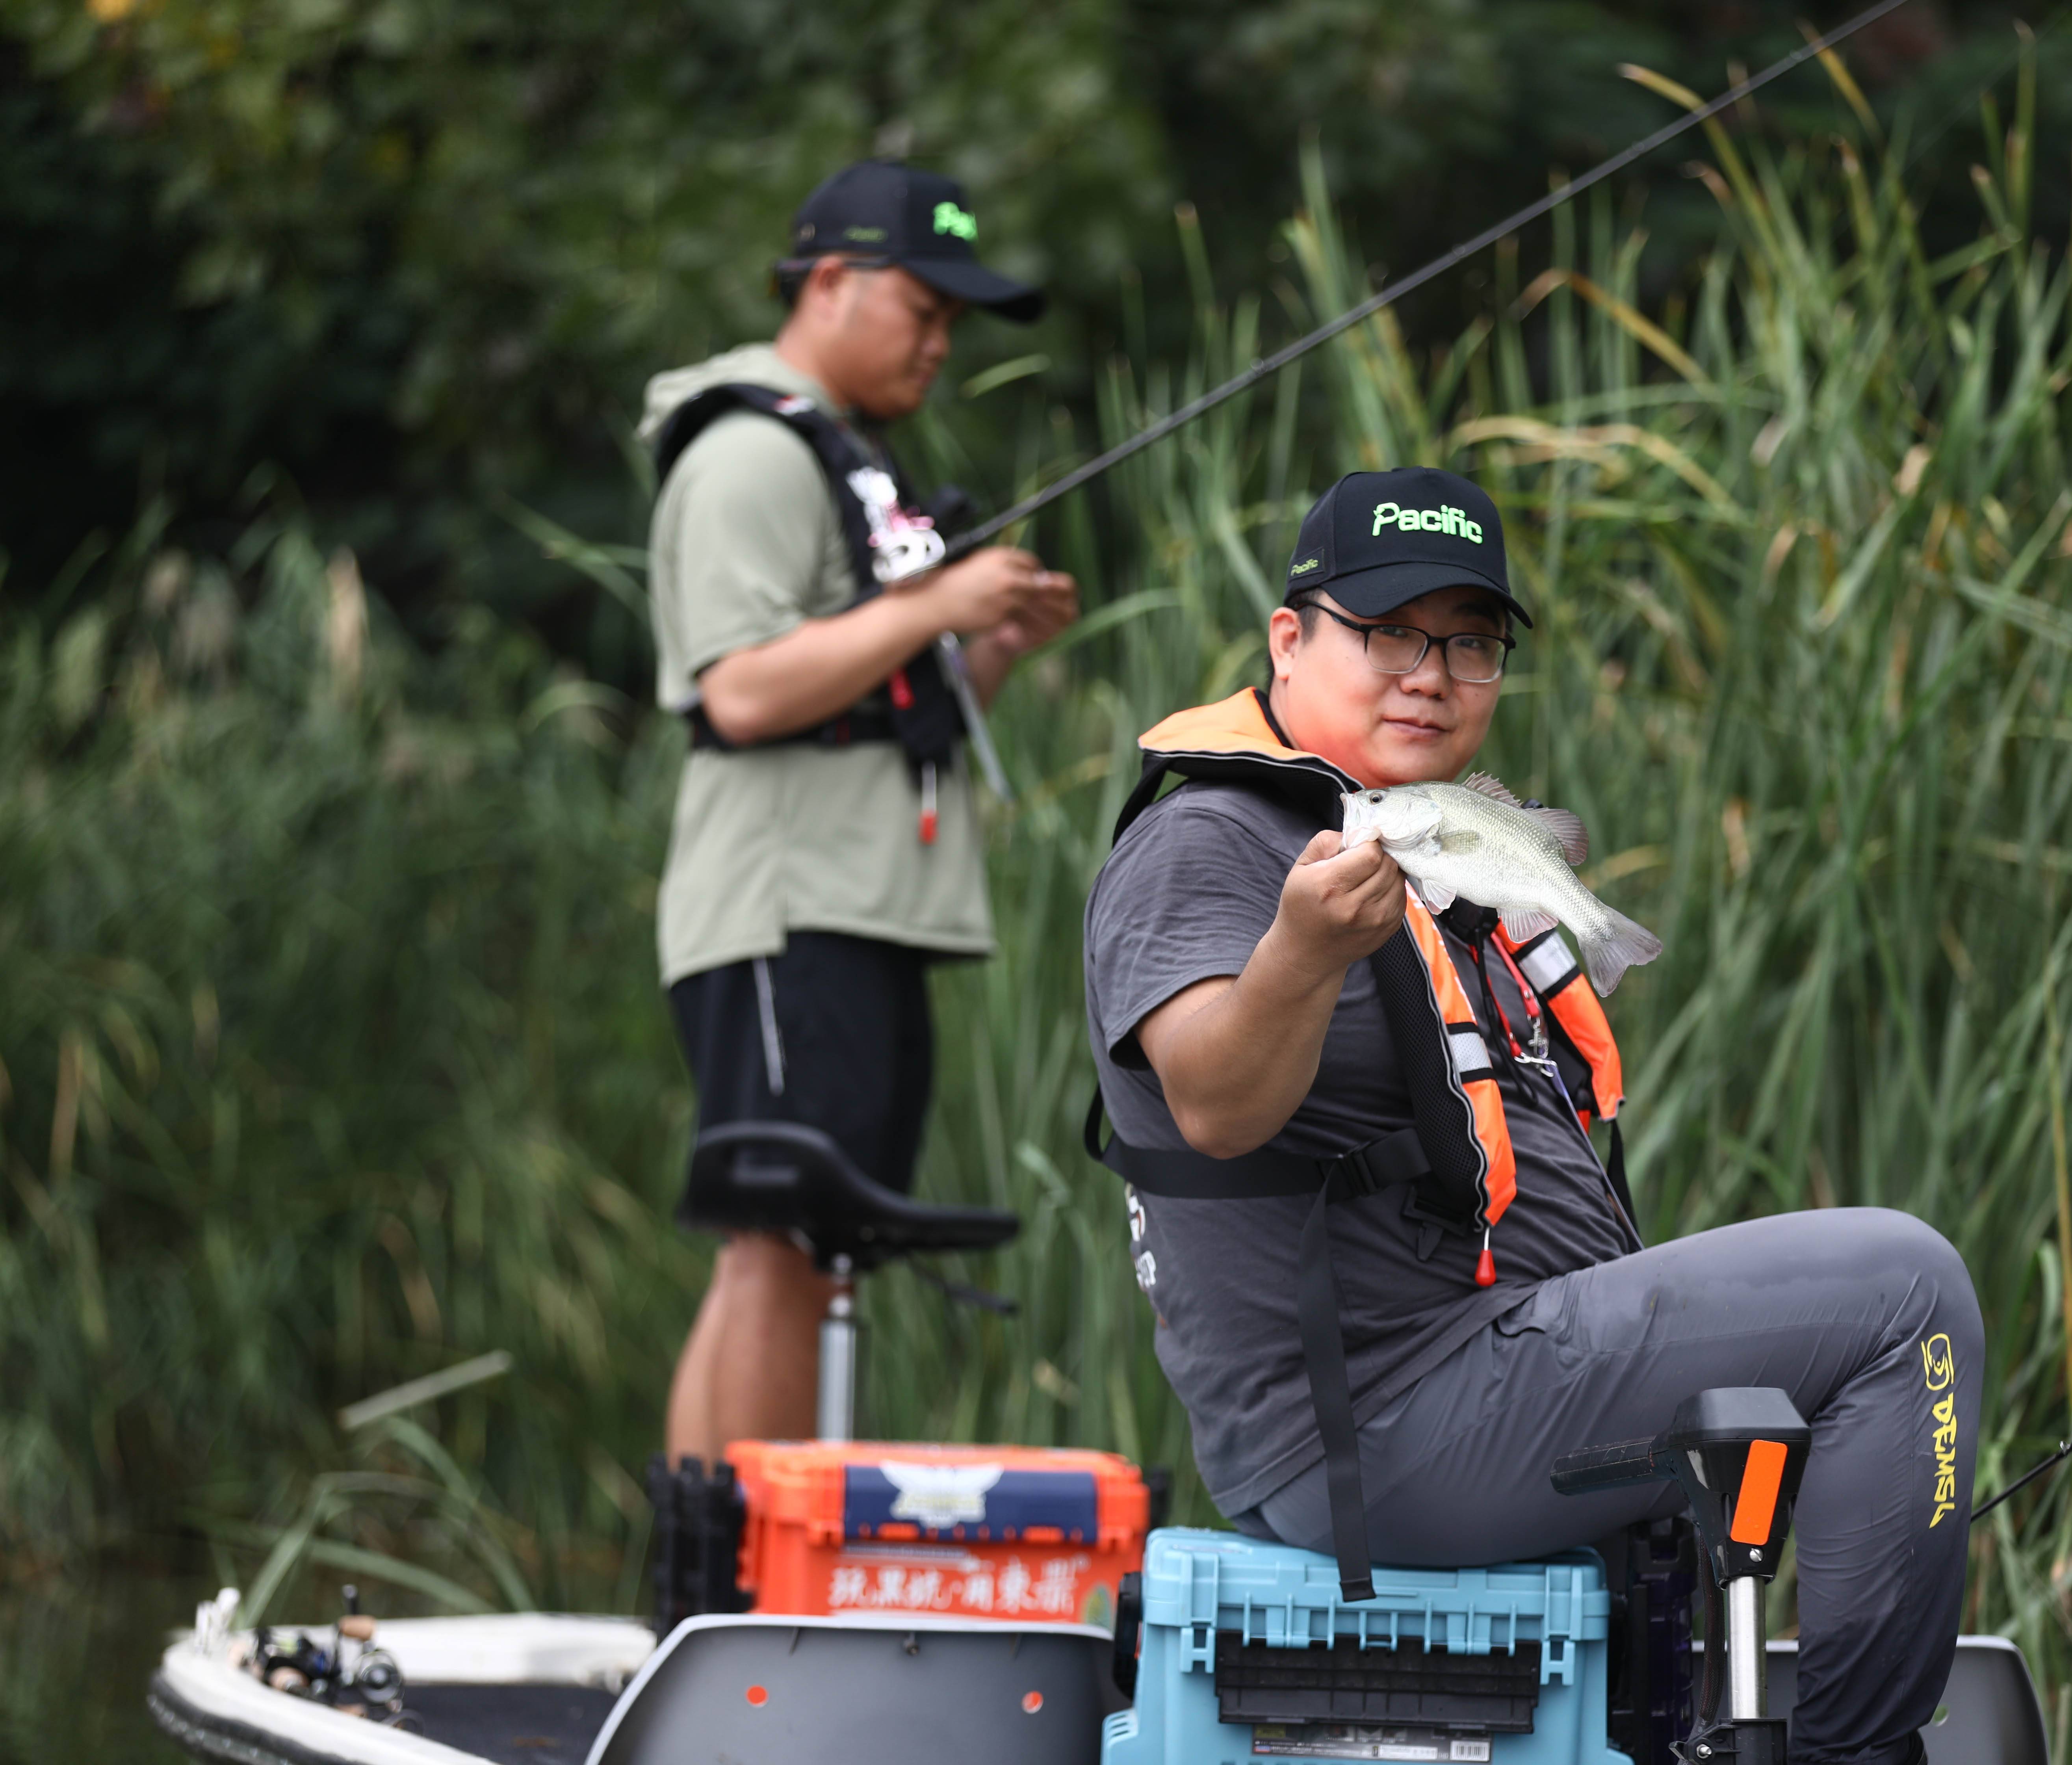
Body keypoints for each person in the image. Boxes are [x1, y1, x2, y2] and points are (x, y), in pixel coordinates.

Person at [1083, 465, 1977, 1765]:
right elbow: (1213, 1107)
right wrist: (1296, 953)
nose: (1431, 674)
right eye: (1389, 632)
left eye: (1472, 643)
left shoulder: (1438, 863)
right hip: (1383, 1427)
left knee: (1864, 1340)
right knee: (1908, 1295)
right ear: (1290, 640)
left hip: (1482, 1385)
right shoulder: (1214, 842)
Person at [642, 160, 1078, 1462]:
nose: (940, 344)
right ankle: (748, 1596)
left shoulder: (850, 465)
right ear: (829, 282)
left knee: (796, 1253)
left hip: (855, 910)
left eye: (955, 324)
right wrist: (933, 607)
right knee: (781, 1248)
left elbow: (888, 705)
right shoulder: (747, 453)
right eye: (923, 310)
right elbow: (737, 692)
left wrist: (986, 641)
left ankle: (708, 1581)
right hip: (785, 911)